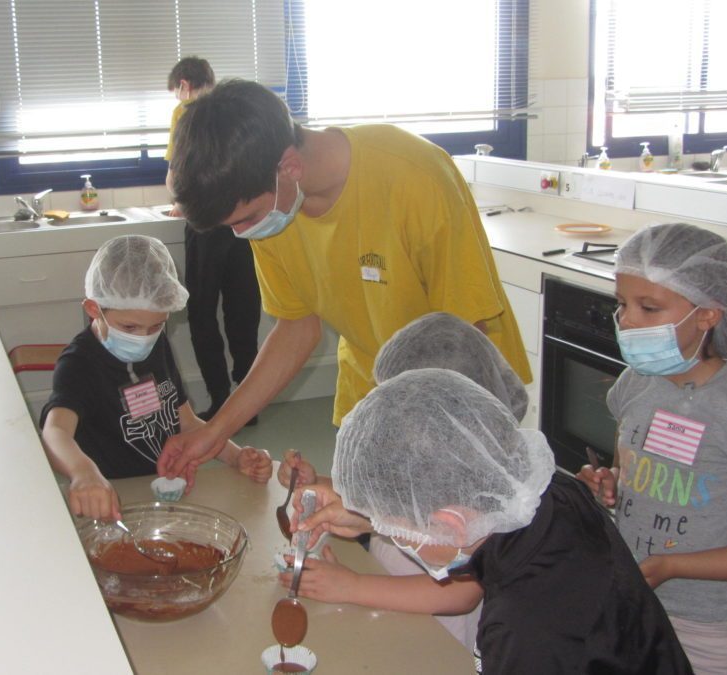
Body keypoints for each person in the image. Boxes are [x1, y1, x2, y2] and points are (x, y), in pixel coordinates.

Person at [158, 79, 530, 482]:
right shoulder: (274, 207)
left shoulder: (413, 175)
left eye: (245, 218)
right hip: (369, 392)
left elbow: (463, 336)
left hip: (460, 396)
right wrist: (215, 433)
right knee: (366, 535)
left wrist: (429, 453)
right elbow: (296, 326)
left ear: (289, 167)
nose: (242, 232)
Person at [307, 368, 692, 673]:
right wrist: (371, 519)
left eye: (399, 531)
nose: (398, 537)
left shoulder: (524, 633)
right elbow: (454, 526)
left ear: (452, 523)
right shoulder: (546, 492)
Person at [577, 222, 727, 674]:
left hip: (707, 628)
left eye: (648, 308)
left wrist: (674, 564)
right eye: (623, 304)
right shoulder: (636, 383)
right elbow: (630, 469)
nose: (627, 320)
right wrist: (607, 485)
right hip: (630, 599)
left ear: (708, 314)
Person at [275, 311, 530, 649]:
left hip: (440, 640)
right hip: (387, 608)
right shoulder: (422, 453)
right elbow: (398, 506)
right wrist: (321, 482)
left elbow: (462, 593)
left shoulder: (482, 491)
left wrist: (353, 587)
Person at [39, 234, 272, 521]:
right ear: (93, 309)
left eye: (156, 326)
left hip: (161, 491)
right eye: (130, 326)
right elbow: (55, 432)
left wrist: (236, 456)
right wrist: (83, 474)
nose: (143, 338)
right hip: (110, 498)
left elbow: (186, 423)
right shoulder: (79, 363)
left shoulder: (157, 345)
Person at [165, 58, 261, 423]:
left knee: (202, 312)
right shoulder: (233, 112)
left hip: (206, 223)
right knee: (243, 309)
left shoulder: (186, 112)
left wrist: (179, 202)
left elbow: (177, 176)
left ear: (184, 85)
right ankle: (248, 404)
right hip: (246, 222)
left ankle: (220, 399)